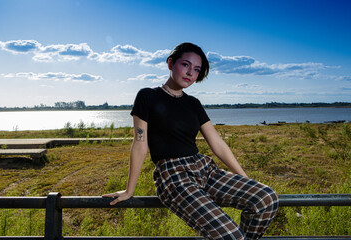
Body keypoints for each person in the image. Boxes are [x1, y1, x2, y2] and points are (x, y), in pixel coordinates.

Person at [102, 42, 279, 240]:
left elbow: (217, 144)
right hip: (173, 175)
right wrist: (129, 190)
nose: (190, 73)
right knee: (231, 236)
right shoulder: (147, 96)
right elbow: (139, 144)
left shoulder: (193, 103)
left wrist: (244, 179)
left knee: (266, 198)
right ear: (170, 63)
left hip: (204, 168)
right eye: (185, 65)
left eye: (196, 70)